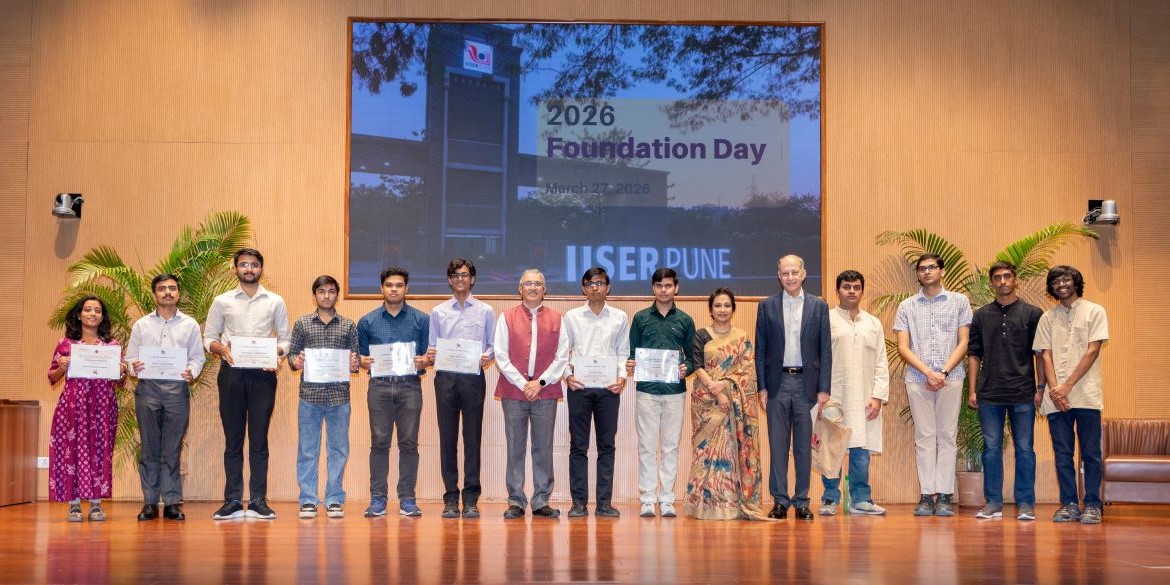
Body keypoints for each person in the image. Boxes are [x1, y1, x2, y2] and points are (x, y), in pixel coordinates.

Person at [204, 248, 291, 520]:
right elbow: (209, 337)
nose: (249, 269)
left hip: (263, 375)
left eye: (254, 265)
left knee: (259, 440)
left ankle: (257, 501)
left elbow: (285, 340)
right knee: (233, 440)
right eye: (244, 265)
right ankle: (231, 500)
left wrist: (276, 355)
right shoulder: (222, 301)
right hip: (231, 374)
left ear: (261, 269)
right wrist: (221, 348)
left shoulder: (275, 301)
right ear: (236, 269)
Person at [894, 253, 972, 517]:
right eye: (922, 269)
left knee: (947, 435)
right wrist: (928, 372)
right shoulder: (907, 306)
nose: (927, 272)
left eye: (932, 268)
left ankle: (946, 496)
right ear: (917, 274)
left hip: (952, 377)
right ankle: (927, 495)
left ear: (942, 271)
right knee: (924, 437)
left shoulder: (959, 302)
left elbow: (964, 342)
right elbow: (903, 347)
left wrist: (943, 371)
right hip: (918, 379)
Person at [755, 254, 831, 521]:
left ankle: (801, 501)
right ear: (779, 276)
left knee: (802, 447)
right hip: (776, 385)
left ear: (803, 273)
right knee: (777, 446)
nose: (789, 277)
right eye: (785, 273)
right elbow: (761, 351)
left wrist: (824, 389)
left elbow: (825, 350)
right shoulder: (766, 307)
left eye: (794, 272)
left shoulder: (818, 307)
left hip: (807, 385)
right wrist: (761, 387)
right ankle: (779, 501)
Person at [967, 262, 1044, 521]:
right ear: (992, 283)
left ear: (1016, 280)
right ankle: (993, 503)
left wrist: (1040, 387)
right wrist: (973, 390)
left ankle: (1025, 503)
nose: (1002, 281)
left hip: (1023, 392)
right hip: (989, 393)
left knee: (1025, 449)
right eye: (997, 277)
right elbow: (974, 354)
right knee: (990, 450)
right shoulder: (980, 315)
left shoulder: (1032, 313)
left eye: (1007, 276)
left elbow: (1040, 355)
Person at [126, 274, 205, 522]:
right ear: (155, 295)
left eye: (172, 288)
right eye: (162, 289)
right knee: (149, 447)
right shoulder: (141, 325)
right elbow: (130, 359)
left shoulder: (190, 324)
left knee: (172, 448)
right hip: (147, 388)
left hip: (176, 389)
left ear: (178, 294)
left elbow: (197, 358)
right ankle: (150, 502)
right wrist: (133, 366)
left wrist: (191, 372)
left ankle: (171, 502)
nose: (168, 292)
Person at [683, 287, 767, 520]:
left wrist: (727, 386)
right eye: (717, 305)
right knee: (704, 453)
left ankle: (729, 503)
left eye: (727, 305)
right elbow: (697, 365)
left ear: (733, 309)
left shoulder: (741, 338)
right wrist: (715, 389)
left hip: (733, 405)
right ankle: (703, 504)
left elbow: (747, 371)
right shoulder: (701, 334)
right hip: (707, 404)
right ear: (710, 309)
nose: (722, 309)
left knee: (729, 453)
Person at [1034, 265, 1109, 524]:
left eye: (1066, 279)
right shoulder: (1047, 317)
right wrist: (1055, 391)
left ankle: (1092, 504)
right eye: (1056, 281)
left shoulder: (1095, 311)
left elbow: (1092, 351)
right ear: (1051, 287)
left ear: (1076, 282)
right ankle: (1068, 503)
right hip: (1056, 401)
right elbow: (1045, 354)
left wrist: (1066, 387)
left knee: (1090, 453)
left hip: (1086, 395)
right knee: (1063, 453)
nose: (1061, 284)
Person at [493, 269, 570, 519]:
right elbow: (501, 355)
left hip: (545, 392)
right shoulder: (506, 318)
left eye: (538, 283)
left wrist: (540, 382)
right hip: (513, 391)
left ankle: (540, 501)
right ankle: (515, 500)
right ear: (520, 288)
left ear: (545, 289)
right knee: (515, 447)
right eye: (528, 283)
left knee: (543, 447)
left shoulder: (559, 319)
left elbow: (562, 356)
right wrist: (523, 383)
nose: (533, 287)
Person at [358, 267, 430, 518]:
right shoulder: (367, 321)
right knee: (379, 443)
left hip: (410, 385)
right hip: (379, 387)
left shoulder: (421, 320)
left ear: (406, 289)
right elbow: (360, 357)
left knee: (409, 443)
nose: (394, 289)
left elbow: (425, 356)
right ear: (382, 288)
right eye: (389, 285)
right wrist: (362, 361)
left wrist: (424, 361)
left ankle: (408, 498)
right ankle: (378, 498)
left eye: (399, 285)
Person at [425, 259, 495, 519]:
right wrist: (432, 353)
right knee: (448, 439)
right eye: (455, 275)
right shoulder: (438, 312)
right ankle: (451, 498)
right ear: (449, 280)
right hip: (445, 378)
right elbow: (432, 347)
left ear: (472, 279)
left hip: (473, 378)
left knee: (472, 438)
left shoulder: (486, 310)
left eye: (465, 275)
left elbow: (492, 346)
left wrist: (486, 356)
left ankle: (471, 497)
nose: (460, 280)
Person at [47, 296, 125, 522]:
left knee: (99, 450)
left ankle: (96, 505)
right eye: (88, 310)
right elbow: (52, 376)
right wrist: (62, 366)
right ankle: (73, 505)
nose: (93, 314)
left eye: (98, 310)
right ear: (79, 314)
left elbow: (119, 382)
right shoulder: (65, 344)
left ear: (102, 316)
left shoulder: (112, 345)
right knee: (72, 450)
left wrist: (121, 370)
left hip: (103, 406)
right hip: (73, 406)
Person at [288, 275, 359, 520]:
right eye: (321, 291)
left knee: (338, 449)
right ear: (314, 295)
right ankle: (308, 499)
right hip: (310, 396)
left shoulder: (349, 325)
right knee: (308, 450)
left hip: (340, 397)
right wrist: (295, 362)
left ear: (337, 295)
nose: (326, 295)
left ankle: (334, 499)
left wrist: (353, 363)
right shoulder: (302, 324)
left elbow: (356, 360)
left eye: (331, 291)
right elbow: (292, 358)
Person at [820, 270, 889, 516]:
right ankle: (829, 499)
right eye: (846, 286)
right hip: (834, 396)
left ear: (862, 291)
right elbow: (817, 359)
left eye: (856, 287)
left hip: (865, 398)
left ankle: (861, 499)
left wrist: (878, 396)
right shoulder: (825, 320)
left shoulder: (873, 323)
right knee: (833, 448)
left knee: (861, 450)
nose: (851, 291)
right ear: (837, 290)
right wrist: (821, 392)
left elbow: (881, 360)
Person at [562, 267, 629, 518]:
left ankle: (604, 503)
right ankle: (578, 502)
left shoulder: (619, 317)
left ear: (608, 287)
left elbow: (623, 352)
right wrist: (567, 376)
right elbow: (563, 353)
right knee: (578, 446)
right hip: (579, 388)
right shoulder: (571, 317)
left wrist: (621, 378)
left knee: (606, 447)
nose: (595, 288)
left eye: (600, 283)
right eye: (590, 284)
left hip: (609, 389)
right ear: (583, 288)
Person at [628, 267, 695, 518]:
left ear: (676, 288)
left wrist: (685, 369)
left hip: (675, 391)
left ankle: (666, 498)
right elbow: (632, 352)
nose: (663, 290)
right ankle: (647, 497)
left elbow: (692, 358)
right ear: (653, 288)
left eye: (668, 286)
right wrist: (632, 363)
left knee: (670, 447)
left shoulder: (685, 320)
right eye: (659, 286)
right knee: (646, 446)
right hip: (646, 390)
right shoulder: (641, 318)